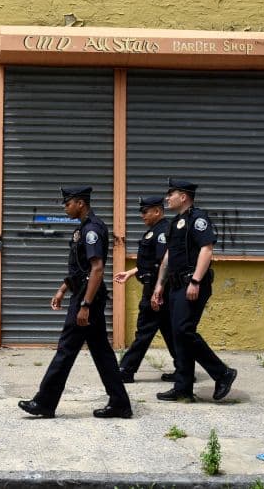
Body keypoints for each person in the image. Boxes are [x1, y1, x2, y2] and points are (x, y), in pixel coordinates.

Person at [18, 186, 132, 419]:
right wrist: (62, 290)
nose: (65, 207)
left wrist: (85, 305)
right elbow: (80, 270)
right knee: (102, 352)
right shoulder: (82, 230)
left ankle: (44, 402)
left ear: (80, 203)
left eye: (68, 203)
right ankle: (120, 403)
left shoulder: (92, 230)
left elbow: (97, 269)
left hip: (87, 299)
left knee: (66, 349)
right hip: (84, 295)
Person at [151, 178, 237, 402]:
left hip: (192, 284)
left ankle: (222, 373)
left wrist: (196, 281)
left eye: (171, 194)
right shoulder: (174, 222)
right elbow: (168, 256)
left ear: (184, 196)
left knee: (183, 331)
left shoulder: (198, 219)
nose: (167, 198)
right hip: (176, 285)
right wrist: (159, 285)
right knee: (179, 336)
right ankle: (183, 387)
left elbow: (206, 250)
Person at [113, 195, 178, 383]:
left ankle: (126, 369)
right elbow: (151, 263)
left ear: (157, 211)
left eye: (145, 212)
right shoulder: (156, 230)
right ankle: (184, 369)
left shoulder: (162, 232)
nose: (142, 216)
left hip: (156, 290)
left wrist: (158, 291)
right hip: (157, 287)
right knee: (170, 332)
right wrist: (132, 272)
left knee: (144, 331)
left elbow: (163, 264)